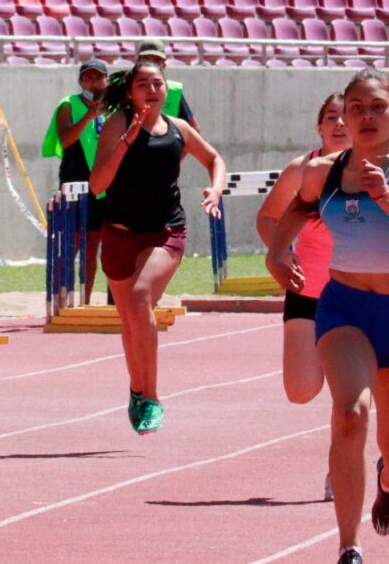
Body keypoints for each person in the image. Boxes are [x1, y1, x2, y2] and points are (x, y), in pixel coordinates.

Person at [266, 69, 389, 564]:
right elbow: (297, 211)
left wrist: (388, 198)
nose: (366, 117)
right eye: (356, 108)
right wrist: (277, 253)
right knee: (349, 415)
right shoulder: (323, 173)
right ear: (342, 117)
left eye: (376, 108)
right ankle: (349, 547)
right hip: (344, 309)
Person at [90, 61, 225, 435]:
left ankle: (151, 397)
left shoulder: (178, 130)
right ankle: (137, 389)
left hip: (165, 233)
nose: (152, 90)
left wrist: (215, 188)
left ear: (167, 90)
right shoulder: (117, 125)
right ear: (130, 92)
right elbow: (97, 184)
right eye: (143, 84)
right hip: (118, 233)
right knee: (131, 321)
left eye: (158, 84)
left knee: (137, 300)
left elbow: (214, 159)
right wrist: (126, 142)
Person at [256, 92, 351, 501]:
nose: (340, 124)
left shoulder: (376, 172)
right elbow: (267, 217)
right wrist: (280, 251)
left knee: (347, 395)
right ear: (319, 126)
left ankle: (340, 469)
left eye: (347, 116)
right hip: (306, 290)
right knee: (301, 390)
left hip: (355, 292)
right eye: (331, 117)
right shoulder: (302, 170)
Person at [42, 58, 109, 304]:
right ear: (81, 81)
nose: (93, 82)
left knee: (93, 246)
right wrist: (89, 117)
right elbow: (67, 139)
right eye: (88, 77)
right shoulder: (68, 105)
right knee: (72, 244)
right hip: (74, 182)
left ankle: (86, 300)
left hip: (101, 185)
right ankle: (61, 298)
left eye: (98, 77)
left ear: (106, 80)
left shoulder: (112, 108)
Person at [136, 39, 203, 134]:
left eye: (156, 61)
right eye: (147, 60)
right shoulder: (128, 88)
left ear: (164, 65)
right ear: (138, 62)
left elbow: (194, 129)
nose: (151, 65)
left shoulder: (173, 91)